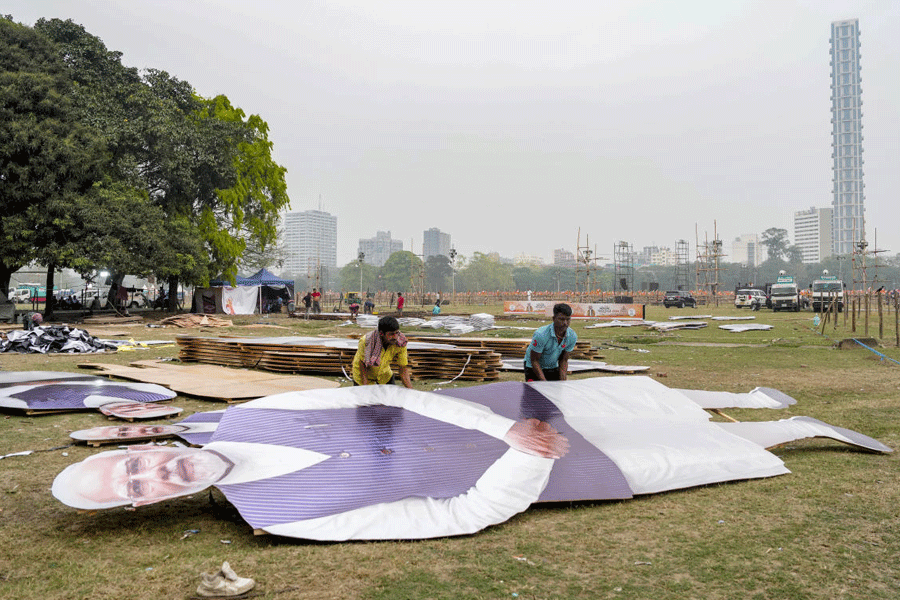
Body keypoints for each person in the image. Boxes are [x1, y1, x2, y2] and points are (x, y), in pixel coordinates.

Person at [53, 385, 570, 540]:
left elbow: (385, 395)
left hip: (511, 405)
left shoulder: (251, 414)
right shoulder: (281, 519)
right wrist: (530, 458)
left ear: (140, 448)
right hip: (562, 472)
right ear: (144, 504)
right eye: (136, 488)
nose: (156, 474)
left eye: (135, 467)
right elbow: (454, 516)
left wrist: (503, 428)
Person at [352, 316, 413, 389]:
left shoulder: (401, 343)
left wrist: (411, 391)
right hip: (363, 375)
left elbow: (403, 368)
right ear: (381, 333)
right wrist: (366, 388)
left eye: (397, 333)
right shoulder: (366, 341)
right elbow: (362, 365)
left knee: (390, 395)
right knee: (366, 395)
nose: (395, 337)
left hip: (384, 375)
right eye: (391, 334)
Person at [524, 303, 576, 382]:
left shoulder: (572, 336)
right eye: (562, 319)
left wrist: (563, 382)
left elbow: (564, 360)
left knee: (556, 388)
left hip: (552, 366)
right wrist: (545, 383)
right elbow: (534, 360)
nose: (565, 323)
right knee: (536, 389)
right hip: (532, 367)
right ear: (554, 319)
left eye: (568, 319)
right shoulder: (541, 335)